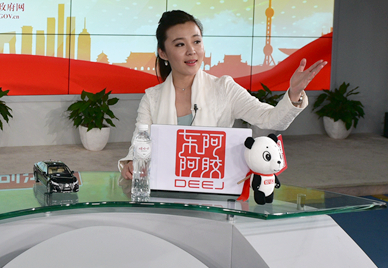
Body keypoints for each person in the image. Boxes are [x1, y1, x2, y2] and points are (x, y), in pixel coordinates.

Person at [120, 10, 327, 179]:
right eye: (180, 44)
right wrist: (131, 163)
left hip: (215, 185)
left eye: (197, 41)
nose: (192, 51)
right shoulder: (152, 98)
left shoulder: (224, 88)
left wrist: (294, 94)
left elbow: (271, 119)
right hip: (165, 185)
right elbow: (140, 144)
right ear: (163, 53)